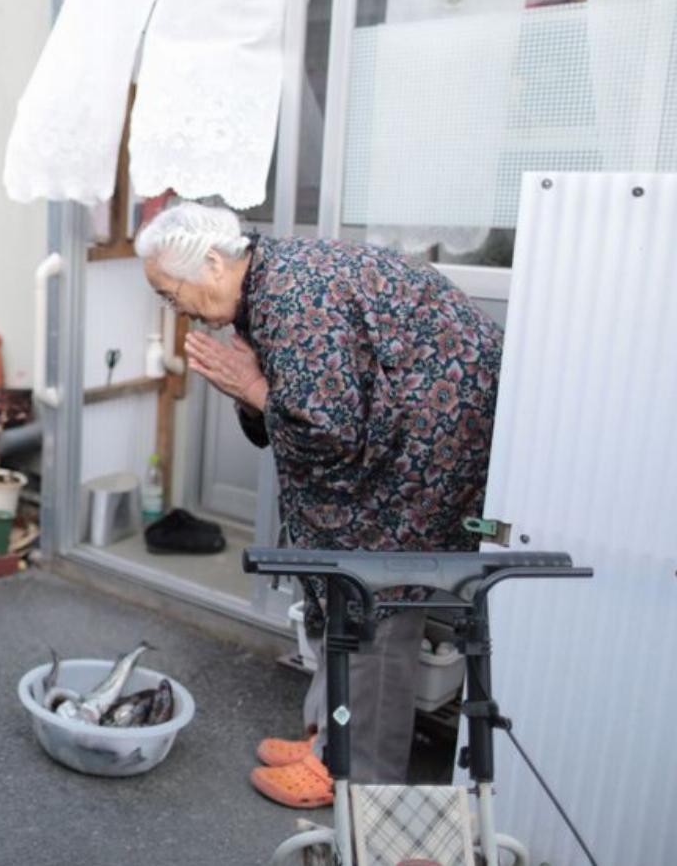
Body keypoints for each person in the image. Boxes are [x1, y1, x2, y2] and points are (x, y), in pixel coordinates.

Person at [133, 202, 504, 808]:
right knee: (340, 576)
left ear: (212, 262)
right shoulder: (266, 285)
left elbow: (326, 430)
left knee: (378, 592)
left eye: (171, 293)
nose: (174, 310)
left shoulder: (295, 299)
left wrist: (251, 389)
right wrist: (257, 393)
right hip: (402, 435)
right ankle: (328, 737)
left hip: (431, 446)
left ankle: (357, 773)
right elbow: (306, 410)